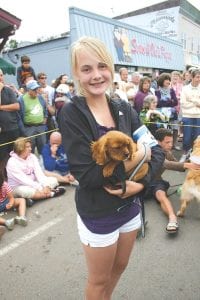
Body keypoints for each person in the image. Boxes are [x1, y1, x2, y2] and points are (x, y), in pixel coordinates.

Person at [59, 36, 164, 299]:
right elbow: (89, 176)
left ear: (111, 69)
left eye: (102, 66)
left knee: (119, 267)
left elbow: (158, 151)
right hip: (98, 214)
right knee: (98, 280)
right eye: (86, 69)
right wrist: (139, 155)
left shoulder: (124, 108)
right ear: (76, 73)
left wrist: (141, 183)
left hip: (131, 207)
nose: (96, 75)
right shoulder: (72, 114)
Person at [145, 128, 200, 233]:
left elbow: (175, 163)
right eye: (167, 142)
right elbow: (166, 164)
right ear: (158, 141)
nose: (171, 144)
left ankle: (172, 219)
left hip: (156, 181)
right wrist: (189, 164)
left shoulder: (167, 153)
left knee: (161, 195)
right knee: (129, 198)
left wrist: (194, 160)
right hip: (142, 180)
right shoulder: (150, 149)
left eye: (171, 142)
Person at [6, 137, 66, 205]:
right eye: (27, 147)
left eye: (30, 146)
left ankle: (31, 198)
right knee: (25, 191)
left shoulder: (32, 156)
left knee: (53, 180)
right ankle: (52, 193)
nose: (30, 149)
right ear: (20, 148)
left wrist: (45, 186)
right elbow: (24, 180)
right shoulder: (12, 162)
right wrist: (40, 188)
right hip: (18, 187)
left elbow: (39, 174)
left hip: (34, 183)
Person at [18, 80, 48, 155]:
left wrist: (45, 117)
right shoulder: (21, 99)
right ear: (28, 90)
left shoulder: (40, 97)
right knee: (29, 151)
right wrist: (24, 130)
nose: (36, 91)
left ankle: (43, 166)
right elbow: (18, 116)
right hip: (28, 128)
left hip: (40, 127)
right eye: (34, 89)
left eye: (37, 89)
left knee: (43, 150)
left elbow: (45, 109)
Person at [179, 69, 200, 163]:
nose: (199, 79)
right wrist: (196, 103)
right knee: (186, 138)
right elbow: (183, 104)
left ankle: (195, 156)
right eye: (197, 77)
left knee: (197, 138)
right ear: (192, 77)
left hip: (198, 116)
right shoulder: (185, 88)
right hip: (187, 116)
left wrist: (192, 101)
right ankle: (185, 154)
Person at [0, 69, 20, 163]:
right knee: (2, 157)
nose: (0, 78)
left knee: (15, 154)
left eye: (1, 75)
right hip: (1, 131)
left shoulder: (8, 90)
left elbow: (16, 106)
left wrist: (1, 107)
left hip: (13, 128)